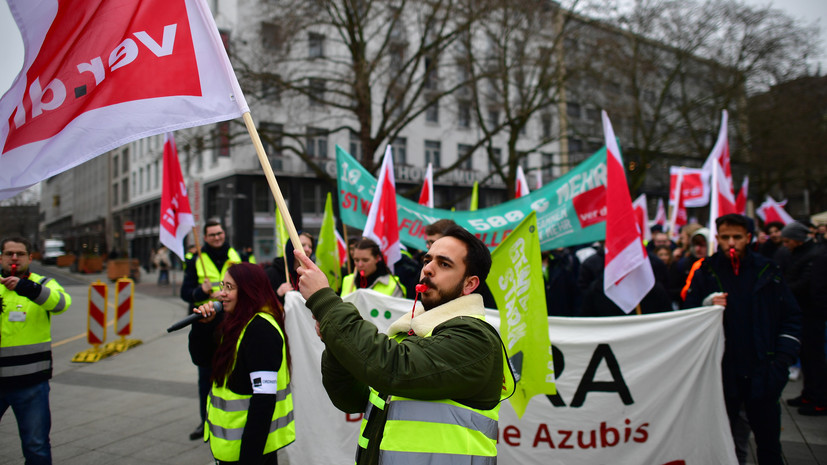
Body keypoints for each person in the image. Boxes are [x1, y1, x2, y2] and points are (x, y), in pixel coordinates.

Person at [294, 225, 515, 464]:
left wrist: (325, 301)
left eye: (444, 264)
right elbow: (351, 399)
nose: (428, 269)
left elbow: (392, 367)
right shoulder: (413, 331)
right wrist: (336, 342)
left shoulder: (474, 339)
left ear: (469, 284)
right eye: (427, 259)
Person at [684, 214, 801, 465]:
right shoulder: (706, 270)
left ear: (748, 238)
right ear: (717, 239)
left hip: (763, 371)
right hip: (722, 373)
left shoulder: (768, 270)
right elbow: (687, 315)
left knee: (769, 443)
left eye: (737, 237)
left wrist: (781, 362)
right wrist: (705, 305)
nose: (731, 243)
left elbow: (790, 316)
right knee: (722, 440)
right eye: (725, 237)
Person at [191, 263, 294, 464]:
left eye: (230, 287)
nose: (222, 294)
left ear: (249, 290)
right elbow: (202, 359)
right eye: (223, 286)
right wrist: (202, 327)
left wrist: (249, 458)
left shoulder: (261, 330)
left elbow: (263, 401)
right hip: (231, 447)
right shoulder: (234, 321)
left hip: (251, 451)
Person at [0, 236, 72, 465]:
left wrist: (27, 288)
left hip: (30, 382)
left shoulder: (42, 282)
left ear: (30, 258)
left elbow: (61, 303)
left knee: (36, 446)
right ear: (0, 257)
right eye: (9, 253)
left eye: (20, 254)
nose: (14, 258)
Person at [180, 219, 241, 441]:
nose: (217, 237)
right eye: (212, 235)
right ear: (205, 237)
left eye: (219, 233)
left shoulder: (236, 255)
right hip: (207, 324)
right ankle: (205, 420)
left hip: (232, 320)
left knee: (233, 370)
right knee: (205, 373)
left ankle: (229, 418)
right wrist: (200, 291)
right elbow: (185, 292)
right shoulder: (196, 259)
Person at [778, 222, 827, 415]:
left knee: (814, 357)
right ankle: (810, 393)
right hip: (805, 312)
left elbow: (807, 285)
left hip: (811, 314)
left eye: (788, 241)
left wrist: (783, 290)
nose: (785, 245)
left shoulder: (815, 256)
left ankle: (820, 398)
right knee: (807, 356)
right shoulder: (805, 254)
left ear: (797, 241)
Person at [340, 238, 405, 297]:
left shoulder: (393, 285)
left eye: (365, 260)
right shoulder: (348, 280)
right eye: (356, 260)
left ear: (377, 258)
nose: (360, 265)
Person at [265, 232, 314, 302]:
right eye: (302, 245)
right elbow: (261, 301)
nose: (307, 249)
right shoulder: (272, 273)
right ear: (291, 248)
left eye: (310, 247)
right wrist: (277, 294)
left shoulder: (312, 275)